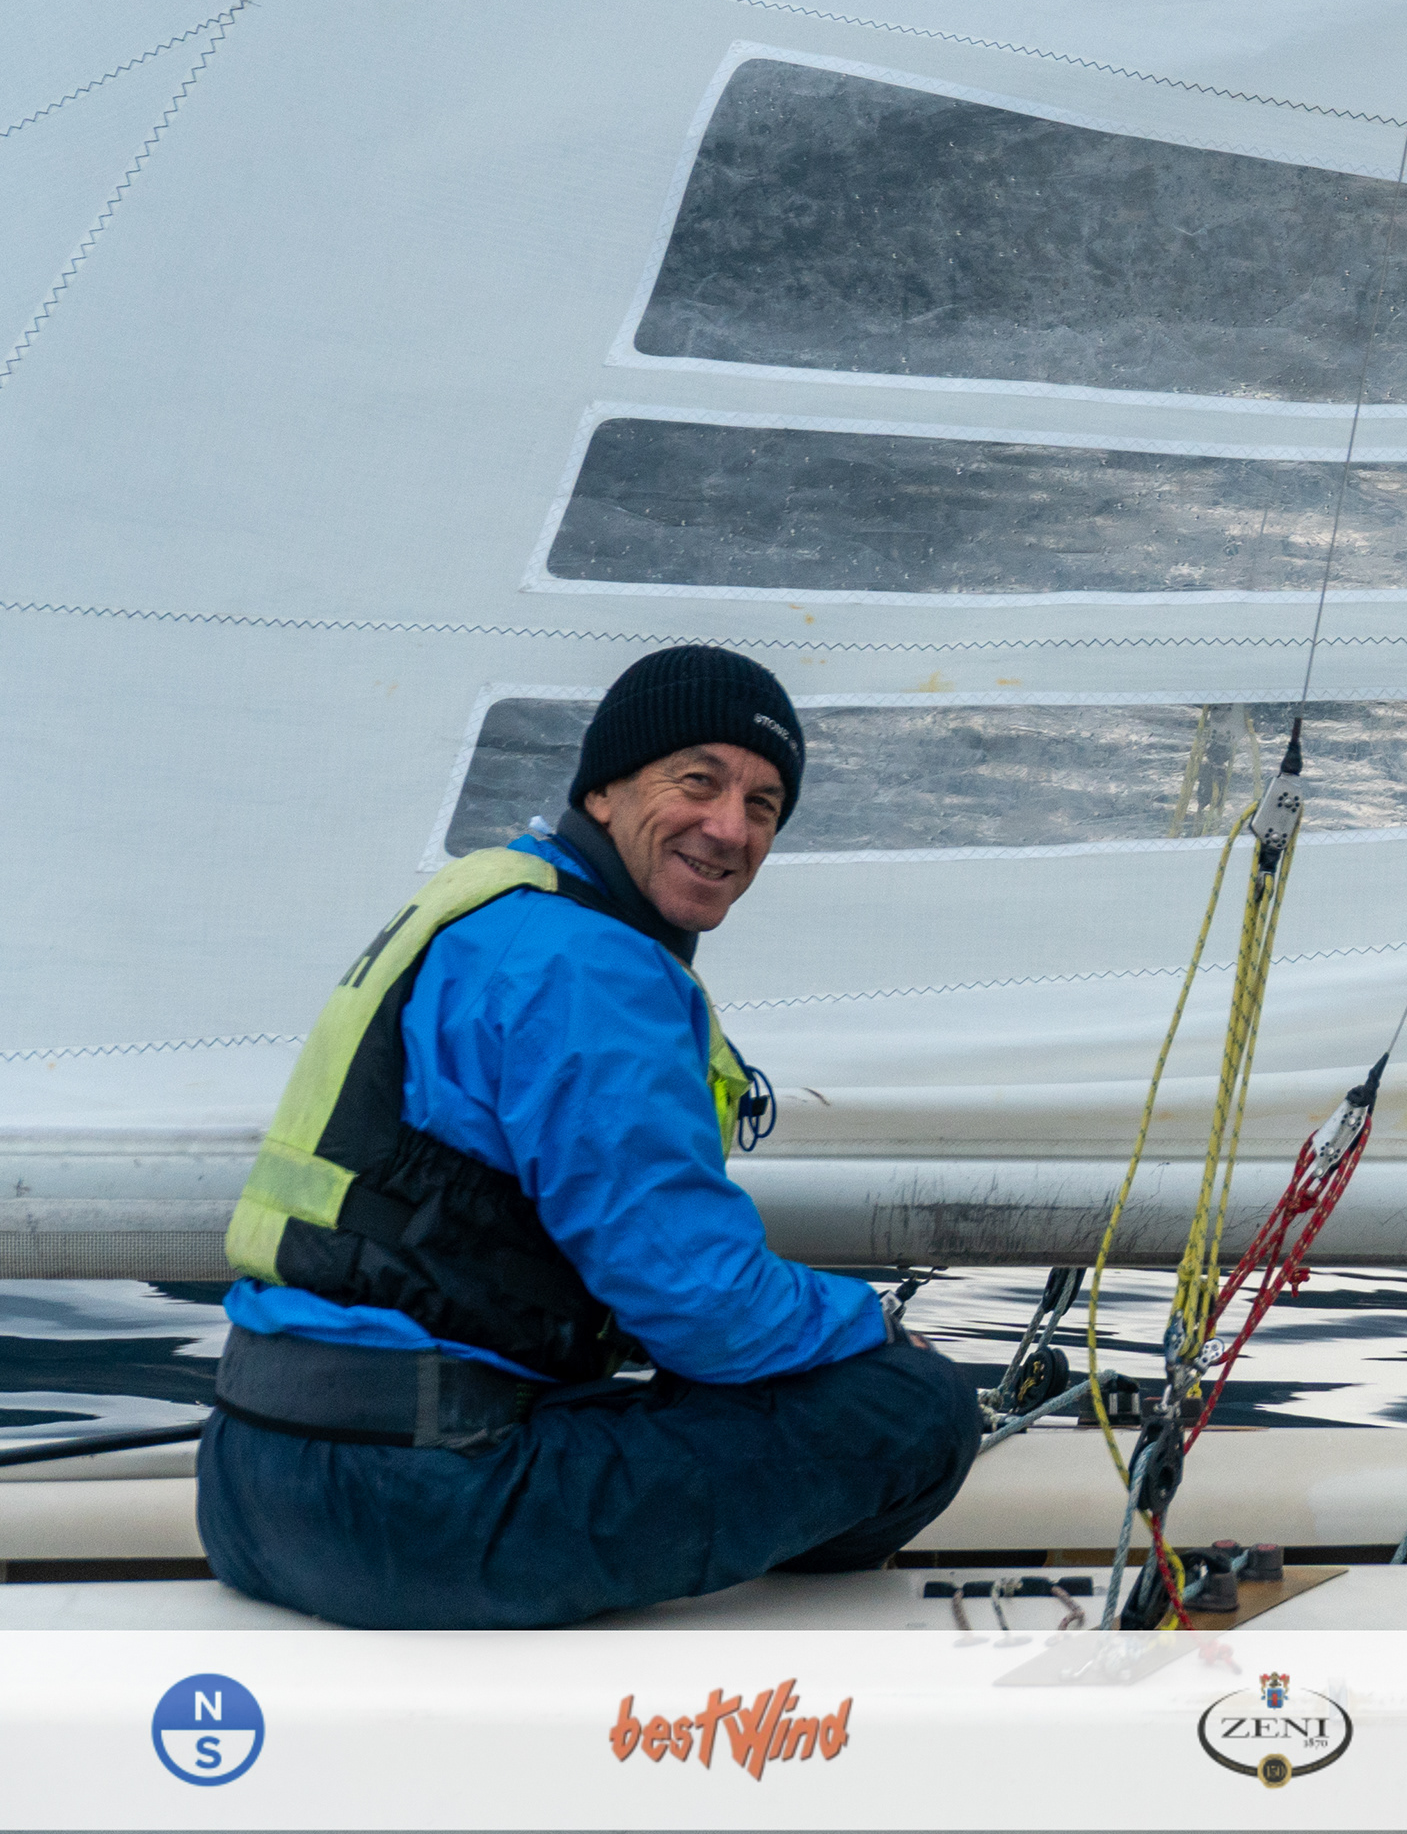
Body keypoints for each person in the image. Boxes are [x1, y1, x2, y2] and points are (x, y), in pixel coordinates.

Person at [199, 645, 984, 1626]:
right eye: (697, 781)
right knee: (912, 1407)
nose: (730, 827)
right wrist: (874, 1325)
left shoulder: (498, 907)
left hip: (249, 1480)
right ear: (603, 791)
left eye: (764, 805)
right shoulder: (587, 966)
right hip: (411, 1508)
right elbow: (700, 1304)